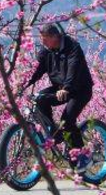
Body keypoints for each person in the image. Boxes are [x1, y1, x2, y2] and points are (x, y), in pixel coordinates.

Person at [25, 22, 94, 172]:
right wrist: (21, 84)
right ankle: (54, 133)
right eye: (41, 38)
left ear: (55, 37)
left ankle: (83, 157)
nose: (42, 42)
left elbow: (73, 68)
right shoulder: (45, 51)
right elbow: (35, 72)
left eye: (45, 38)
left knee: (67, 121)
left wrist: (66, 88)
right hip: (59, 88)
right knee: (39, 99)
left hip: (80, 89)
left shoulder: (72, 46)